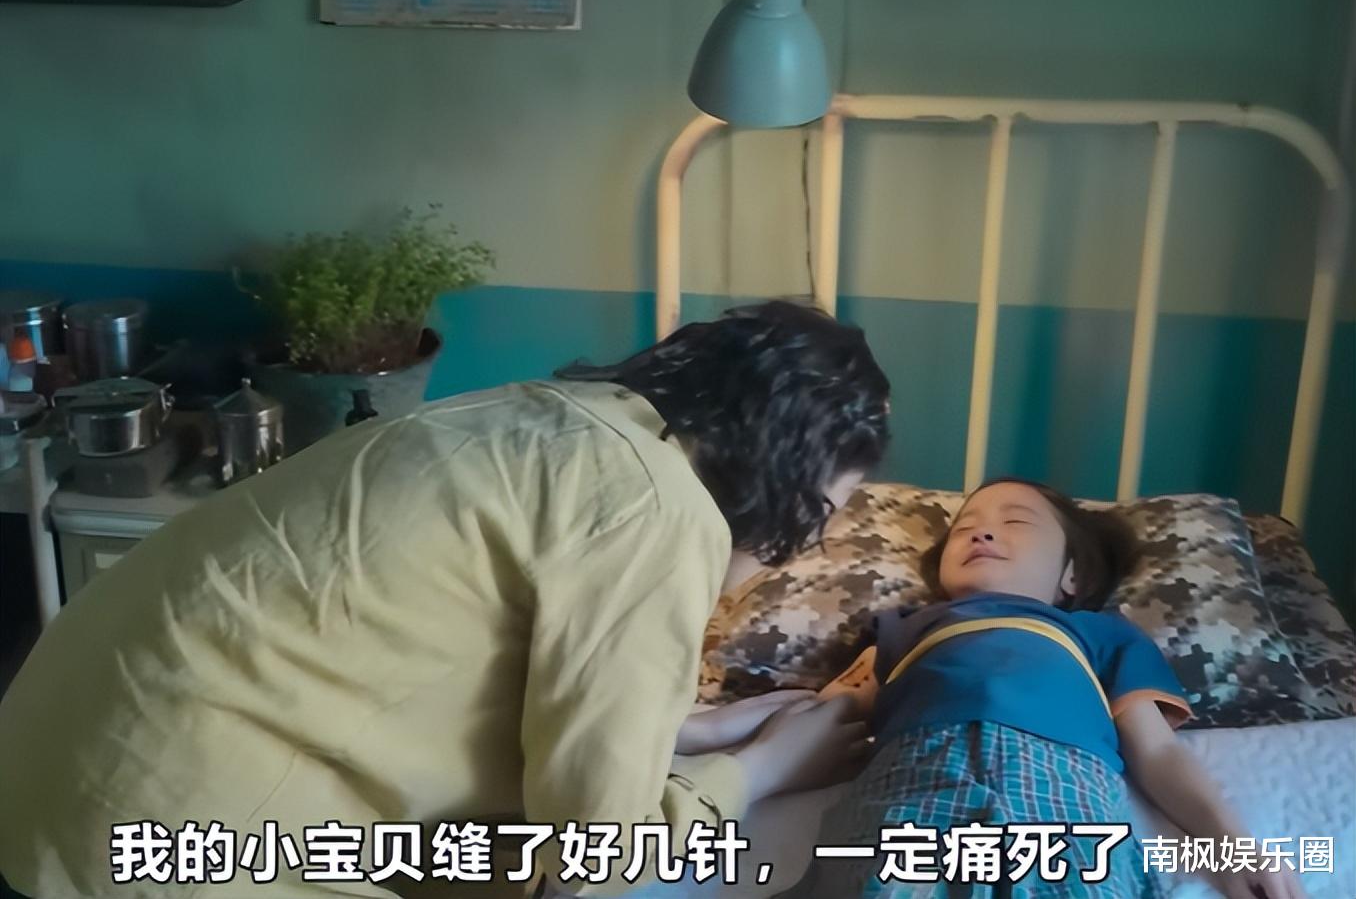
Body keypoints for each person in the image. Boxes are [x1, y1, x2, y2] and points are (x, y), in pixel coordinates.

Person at [0, 301, 888, 898]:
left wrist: (680, 729)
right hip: (168, 826)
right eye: (817, 516)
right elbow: (597, 857)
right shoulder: (660, 511)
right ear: (785, 475)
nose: (801, 549)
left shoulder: (549, 417)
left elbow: (451, 654)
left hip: (50, 764)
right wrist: (757, 772)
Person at [798, 478, 1304, 899]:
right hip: (909, 787)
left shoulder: (1100, 634)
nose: (982, 533)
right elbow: (823, 717)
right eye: (965, 529)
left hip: (1063, 795)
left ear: (1072, 574)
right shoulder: (900, 629)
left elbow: (1157, 752)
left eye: (1016, 522)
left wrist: (1232, 848)